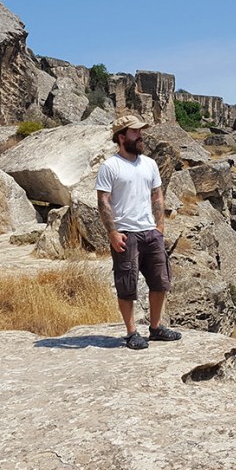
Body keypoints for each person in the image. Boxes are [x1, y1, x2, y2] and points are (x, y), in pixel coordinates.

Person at [96, 114, 182, 350]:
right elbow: (103, 201)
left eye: (140, 131)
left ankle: (155, 328)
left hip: (150, 232)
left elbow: (157, 195)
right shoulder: (110, 166)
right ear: (121, 137)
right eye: (135, 132)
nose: (140, 135)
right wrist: (112, 233)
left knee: (160, 282)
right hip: (126, 234)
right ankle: (131, 332)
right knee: (127, 285)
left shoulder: (149, 164)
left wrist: (160, 227)